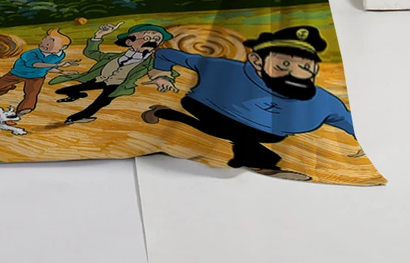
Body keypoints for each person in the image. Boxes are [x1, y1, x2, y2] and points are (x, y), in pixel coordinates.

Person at [142, 26, 358, 180]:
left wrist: (359, 140)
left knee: (233, 133)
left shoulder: (321, 100)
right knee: (234, 133)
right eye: (284, 64)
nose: (296, 73)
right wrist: (160, 73)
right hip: (210, 109)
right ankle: (262, 163)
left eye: (306, 67)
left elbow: (343, 117)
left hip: (267, 132)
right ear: (256, 61)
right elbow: (167, 54)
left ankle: (166, 113)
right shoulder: (224, 69)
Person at [50, 22, 173, 125]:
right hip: (100, 79)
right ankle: (76, 95)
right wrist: (99, 35)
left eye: (157, 39)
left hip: (118, 85)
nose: (152, 41)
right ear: (129, 42)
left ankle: (75, 118)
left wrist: (163, 79)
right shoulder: (111, 57)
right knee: (62, 91)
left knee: (100, 102)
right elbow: (90, 52)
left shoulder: (151, 62)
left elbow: (164, 70)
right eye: (146, 38)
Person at [0, 29, 74, 115]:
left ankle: (25, 108)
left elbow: (47, 68)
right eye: (43, 42)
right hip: (17, 73)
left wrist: (62, 72)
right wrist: (58, 64)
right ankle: (6, 87)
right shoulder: (31, 53)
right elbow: (35, 64)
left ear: (63, 47)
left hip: (37, 76)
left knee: (32, 93)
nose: (43, 45)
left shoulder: (59, 56)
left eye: (48, 44)